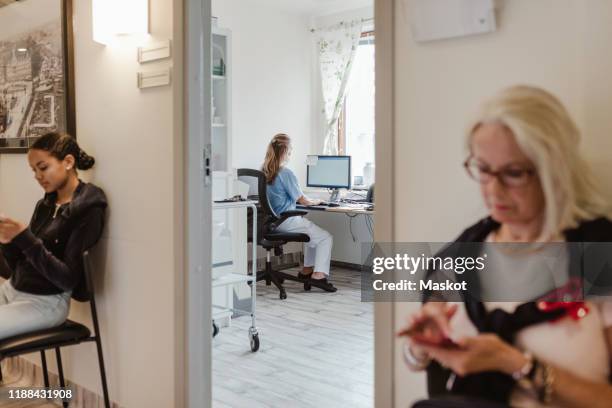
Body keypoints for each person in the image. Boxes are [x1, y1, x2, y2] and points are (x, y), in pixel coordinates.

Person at [399, 86, 612, 407]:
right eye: (483, 169)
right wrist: (421, 345)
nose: (493, 191)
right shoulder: (459, 257)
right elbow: (419, 364)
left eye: (513, 173)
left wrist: (516, 364)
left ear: (556, 170)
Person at [0, 132, 107, 340]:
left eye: (43, 167)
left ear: (68, 162)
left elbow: (68, 280)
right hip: (12, 289)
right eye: (34, 171)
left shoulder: (87, 210)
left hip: (46, 303)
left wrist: (24, 237)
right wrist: (7, 242)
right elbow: (19, 266)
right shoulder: (45, 205)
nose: (38, 176)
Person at [262, 133, 337, 292]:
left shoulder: (264, 171)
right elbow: (302, 200)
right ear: (285, 151)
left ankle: (306, 271)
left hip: (272, 222)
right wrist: (315, 201)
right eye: (290, 150)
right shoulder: (285, 173)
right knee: (325, 238)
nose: (291, 153)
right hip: (287, 220)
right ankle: (319, 276)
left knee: (313, 236)